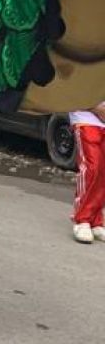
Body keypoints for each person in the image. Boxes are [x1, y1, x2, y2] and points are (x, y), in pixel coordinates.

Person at [71, 103, 105, 243]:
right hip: (86, 118)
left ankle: (96, 219)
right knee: (92, 167)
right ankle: (82, 219)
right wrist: (95, 108)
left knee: (103, 170)